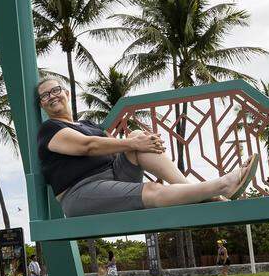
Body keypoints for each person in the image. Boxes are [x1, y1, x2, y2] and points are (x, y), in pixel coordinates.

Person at [35, 76, 255, 217]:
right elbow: (88, 146)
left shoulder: (86, 124)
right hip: (81, 192)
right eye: (44, 96)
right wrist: (132, 142)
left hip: (113, 176)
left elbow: (114, 148)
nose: (51, 96)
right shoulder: (49, 129)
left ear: (67, 93)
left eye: (55, 90)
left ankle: (196, 192)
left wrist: (141, 142)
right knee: (152, 188)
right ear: (42, 105)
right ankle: (221, 185)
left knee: (139, 135)